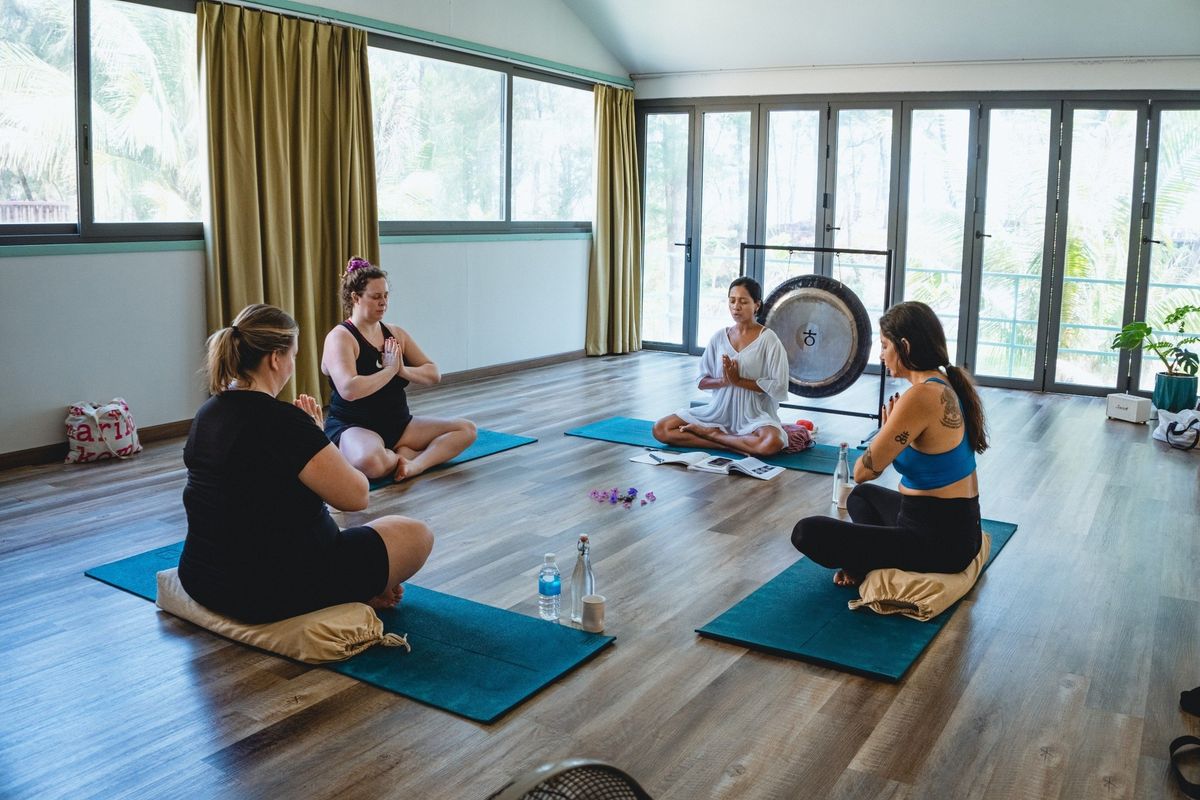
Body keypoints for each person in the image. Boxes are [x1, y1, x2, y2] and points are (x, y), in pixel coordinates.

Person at [178, 303, 434, 624]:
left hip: (201, 578)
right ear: (275, 358)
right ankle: (351, 593)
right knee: (416, 534)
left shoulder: (207, 413)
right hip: (267, 591)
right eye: (293, 356)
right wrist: (319, 437)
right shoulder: (285, 422)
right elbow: (357, 497)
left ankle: (358, 588)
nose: (292, 365)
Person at [790, 300, 988, 587]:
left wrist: (885, 432)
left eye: (884, 345)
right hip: (958, 529)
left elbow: (862, 472)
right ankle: (870, 555)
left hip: (938, 542)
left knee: (806, 532)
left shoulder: (920, 397)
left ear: (904, 346)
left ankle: (864, 562)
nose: (881, 355)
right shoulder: (946, 382)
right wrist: (894, 433)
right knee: (861, 497)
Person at [321, 257, 476, 481]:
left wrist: (402, 370)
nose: (383, 302)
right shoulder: (341, 337)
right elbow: (349, 389)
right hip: (355, 426)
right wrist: (389, 371)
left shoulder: (395, 333)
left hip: (400, 425)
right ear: (355, 298)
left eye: (385, 296)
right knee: (371, 463)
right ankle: (399, 455)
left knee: (466, 430)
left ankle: (414, 464)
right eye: (375, 297)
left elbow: (433, 373)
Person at [652, 277, 790, 457]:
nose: (736, 306)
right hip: (717, 413)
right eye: (732, 301)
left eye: (743, 301)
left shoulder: (769, 339)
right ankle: (728, 444)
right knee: (661, 429)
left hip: (754, 416)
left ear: (757, 305)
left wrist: (739, 381)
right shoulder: (719, 337)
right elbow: (701, 381)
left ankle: (713, 436)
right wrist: (724, 381)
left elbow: (779, 387)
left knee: (772, 442)